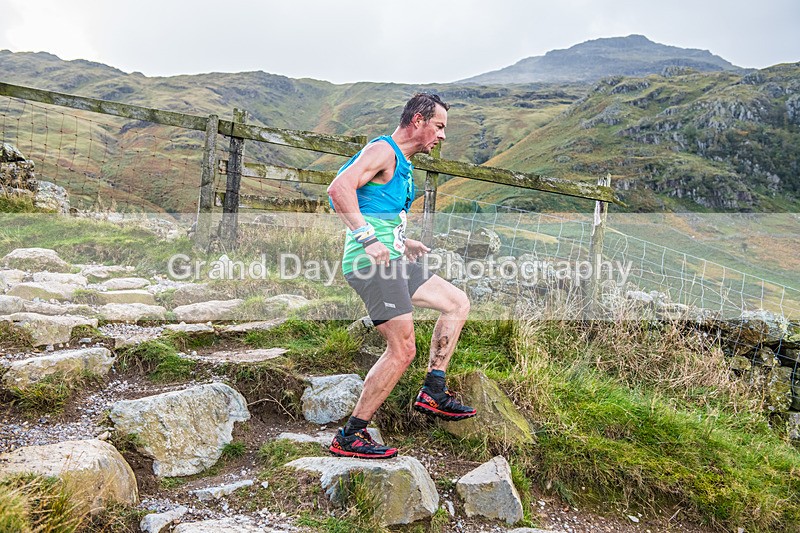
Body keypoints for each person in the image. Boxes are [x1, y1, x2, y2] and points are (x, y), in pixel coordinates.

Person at [326, 93, 475, 459]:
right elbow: (338, 190)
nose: (442, 136)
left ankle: (433, 390)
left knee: (456, 303)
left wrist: (399, 240)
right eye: (439, 127)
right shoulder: (384, 152)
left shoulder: (403, 163)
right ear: (418, 121)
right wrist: (368, 239)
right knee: (402, 349)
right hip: (373, 265)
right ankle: (350, 435)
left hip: (393, 258)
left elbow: (374, 207)